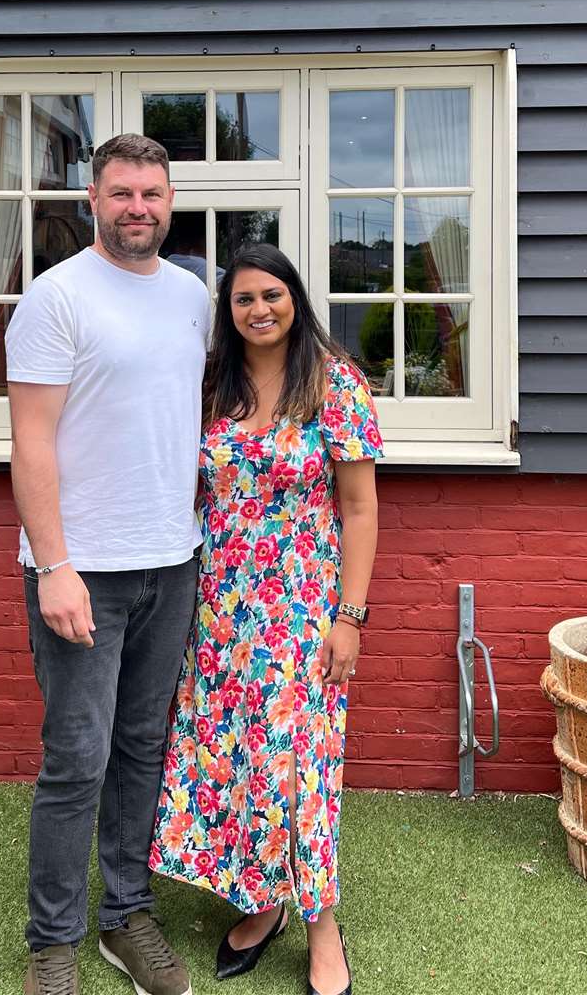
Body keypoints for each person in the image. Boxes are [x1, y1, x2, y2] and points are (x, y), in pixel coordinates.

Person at [5, 133, 209, 995]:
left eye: (153, 194)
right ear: (95, 200)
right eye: (122, 193)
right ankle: (52, 943)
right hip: (82, 569)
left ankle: (126, 918)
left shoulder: (194, 297)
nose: (139, 209)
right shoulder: (55, 299)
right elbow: (29, 440)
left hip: (175, 559)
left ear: (170, 201)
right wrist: (54, 565)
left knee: (143, 747)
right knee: (76, 757)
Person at [150, 245, 381, 995]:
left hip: (302, 609)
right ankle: (261, 903)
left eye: (271, 295)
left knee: (298, 768)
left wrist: (349, 617)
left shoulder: (335, 382)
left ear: (295, 299)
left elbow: (359, 508)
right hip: (218, 608)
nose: (259, 310)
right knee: (236, 759)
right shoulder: (214, 386)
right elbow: (179, 480)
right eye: (244, 299)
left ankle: (323, 929)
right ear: (229, 311)